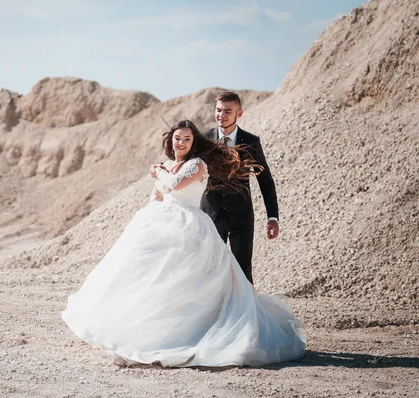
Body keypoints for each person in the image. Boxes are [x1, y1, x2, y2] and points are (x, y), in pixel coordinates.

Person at [62, 120, 306, 368]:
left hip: (189, 225)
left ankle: (184, 334)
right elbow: (159, 194)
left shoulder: (196, 165)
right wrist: (145, 218)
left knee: (184, 282)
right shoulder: (167, 165)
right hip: (160, 222)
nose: (181, 142)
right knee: (146, 277)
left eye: (187, 139)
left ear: (193, 143)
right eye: (177, 138)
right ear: (170, 140)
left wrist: (158, 172)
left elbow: (174, 185)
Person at [201, 91, 279, 284]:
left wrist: (272, 217)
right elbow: (184, 163)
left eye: (228, 111)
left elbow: (266, 181)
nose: (222, 115)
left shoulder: (251, 142)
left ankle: (246, 312)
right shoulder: (203, 140)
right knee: (209, 268)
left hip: (241, 215)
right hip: (210, 214)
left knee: (243, 271)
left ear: (239, 113)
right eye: (219, 110)